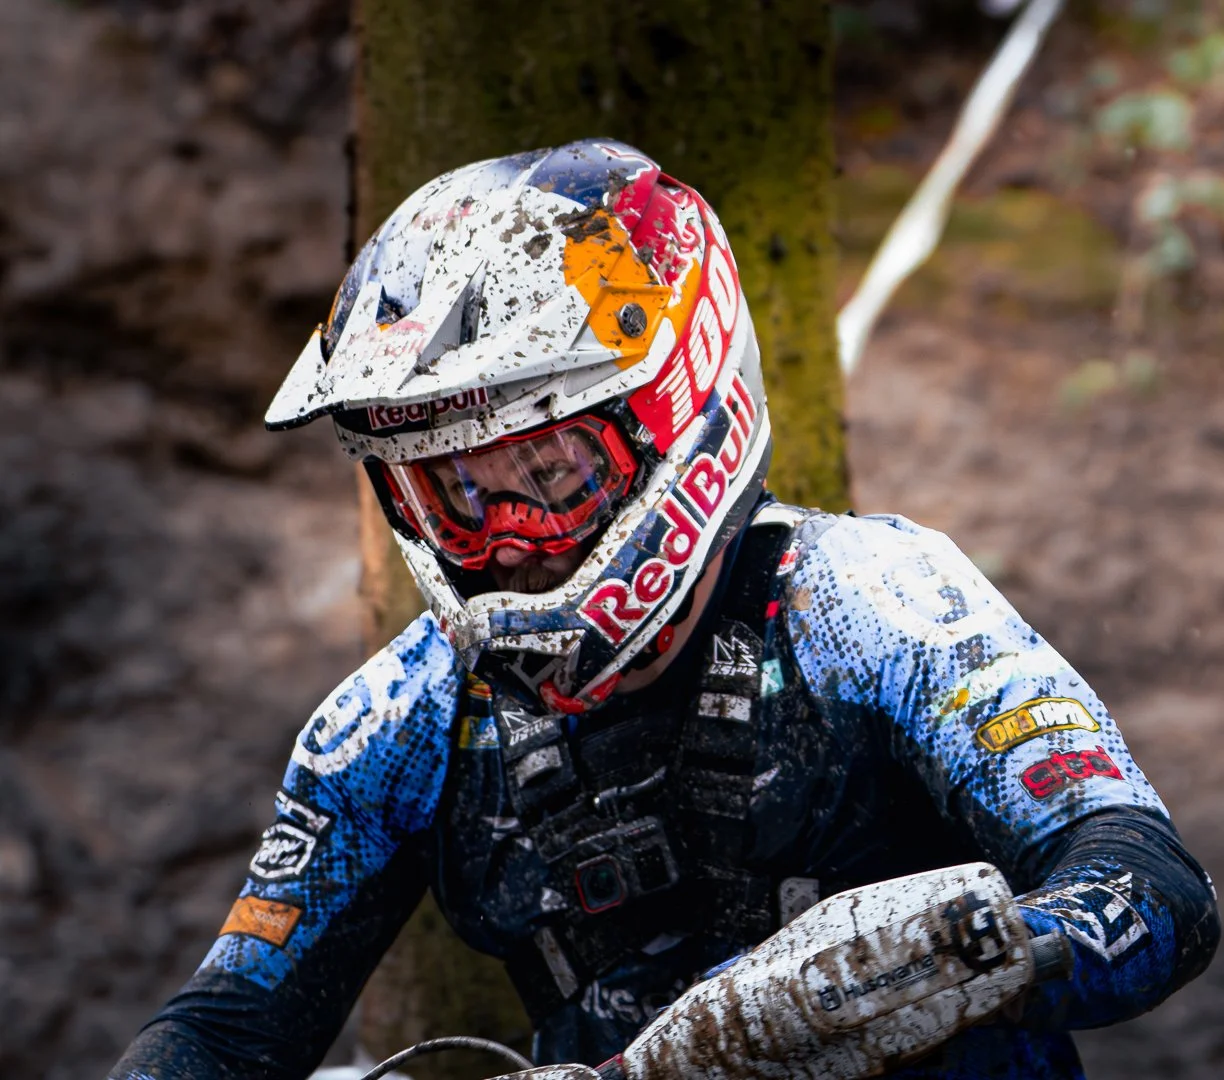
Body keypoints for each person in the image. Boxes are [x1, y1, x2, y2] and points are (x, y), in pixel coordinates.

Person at [110, 139, 1218, 1080]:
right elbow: (225, 1026)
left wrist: (960, 954)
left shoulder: (871, 601)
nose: (499, 535)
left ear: (679, 399)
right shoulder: (395, 724)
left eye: (545, 478)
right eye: (448, 493)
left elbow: (1150, 882)